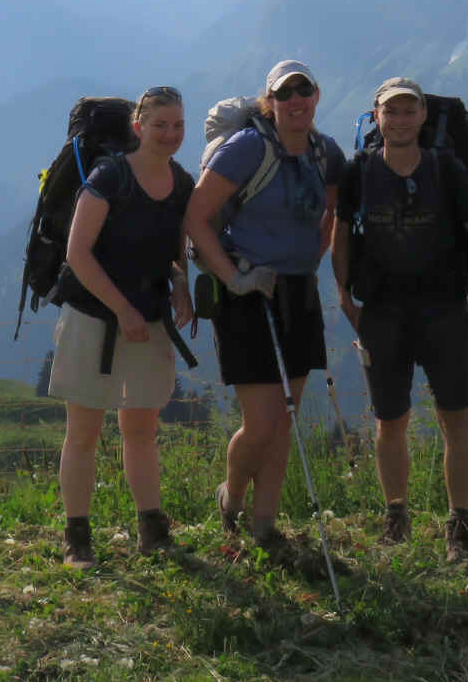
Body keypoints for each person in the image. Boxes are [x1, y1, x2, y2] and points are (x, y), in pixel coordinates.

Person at [185, 60, 346, 553]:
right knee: (262, 421)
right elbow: (195, 216)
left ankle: (264, 524)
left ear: (316, 95)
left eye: (304, 91)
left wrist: (307, 263)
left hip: (295, 290)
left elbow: (331, 215)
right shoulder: (248, 148)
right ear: (270, 102)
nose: (296, 101)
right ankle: (230, 497)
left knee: (286, 417)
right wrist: (234, 277)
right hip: (247, 294)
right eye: (285, 94)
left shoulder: (326, 153)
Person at [331, 77, 468, 560]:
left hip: (444, 308)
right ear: (376, 116)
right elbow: (340, 235)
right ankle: (396, 514)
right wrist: (343, 297)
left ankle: (459, 521)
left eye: (409, 111)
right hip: (381, 310)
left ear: (423, 115)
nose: (400, 119)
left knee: (454, 418)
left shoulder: (447, 168)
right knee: (389, 419)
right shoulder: (358, 170)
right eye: (391, 111)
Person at [50, 86, 196, 569]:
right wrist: (123, 310)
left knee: (142, 429)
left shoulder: (181, 183)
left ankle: (152, 530)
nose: (170, 134)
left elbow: (176, 250)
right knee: (84, 432)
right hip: (93, 318)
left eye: (177, 125)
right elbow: (78, 254)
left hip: (148, 318)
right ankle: (77, 537)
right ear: (138, 127)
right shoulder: (108, 176)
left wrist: (180, 285)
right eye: (160, 125)